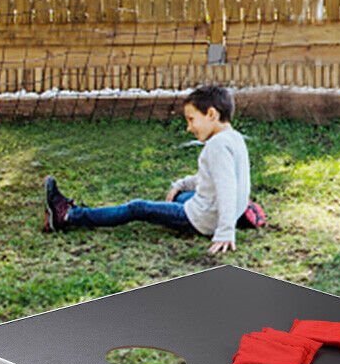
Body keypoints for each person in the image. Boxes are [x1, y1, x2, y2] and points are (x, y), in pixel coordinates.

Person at [43, 84, 253, 254]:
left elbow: (226, 188)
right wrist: (179, 185)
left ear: (211, 114)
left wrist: (225, 232)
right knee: (180, 196)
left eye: (191, 119)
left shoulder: (216, 146)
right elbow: (210, 179)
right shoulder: (233, 138)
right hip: (219, 211)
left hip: (201, 220)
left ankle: (70, 216)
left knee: (138, 208)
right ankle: (238, 215)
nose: (189, 127)